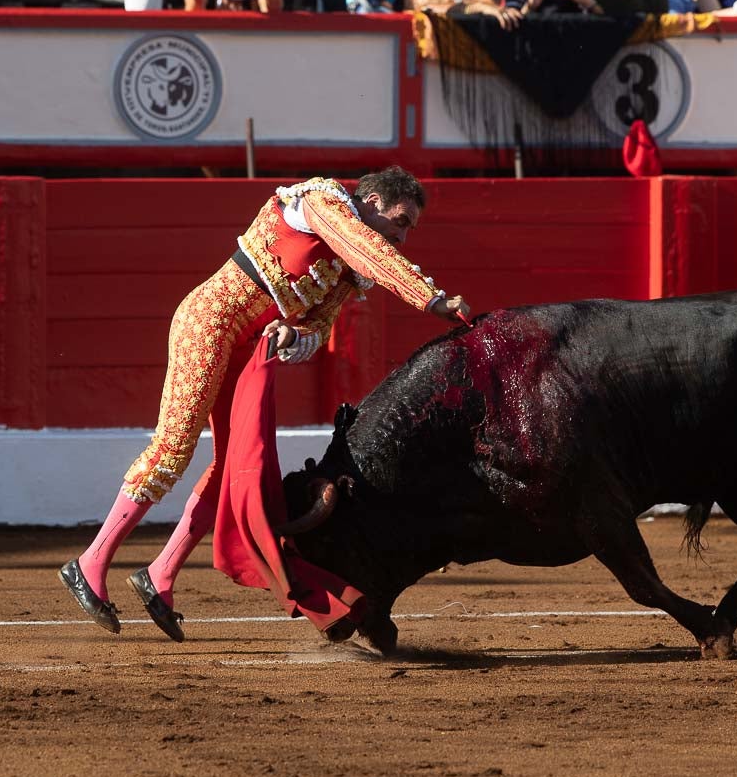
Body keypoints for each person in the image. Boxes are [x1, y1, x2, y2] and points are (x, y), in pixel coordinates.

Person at [59, 167, 471, 639]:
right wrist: (430, 298)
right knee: (172, 450)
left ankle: (160, 575)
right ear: (373, 201)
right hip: (210, 323)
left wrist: (294, 332)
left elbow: (319, 326)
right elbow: (365, 245)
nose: (403, 235)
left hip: (249, 345)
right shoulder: (321, 203)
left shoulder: (349, 267)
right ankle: (90, 562)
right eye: (401, 221)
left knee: (235, 464)